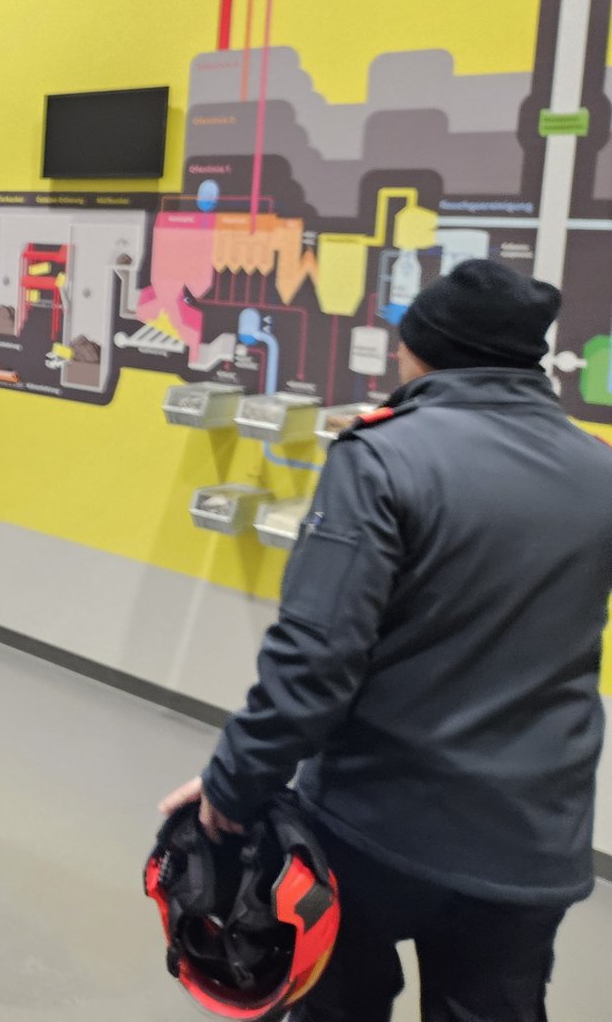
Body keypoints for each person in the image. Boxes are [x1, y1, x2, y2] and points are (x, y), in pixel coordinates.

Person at [159, 258, 612, 1021]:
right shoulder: (597, 467)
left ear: (422, 350)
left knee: (340, 1007)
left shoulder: (381, 457)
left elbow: (314, 661)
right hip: (532, 837)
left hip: (376, 827)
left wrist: (235, 785)